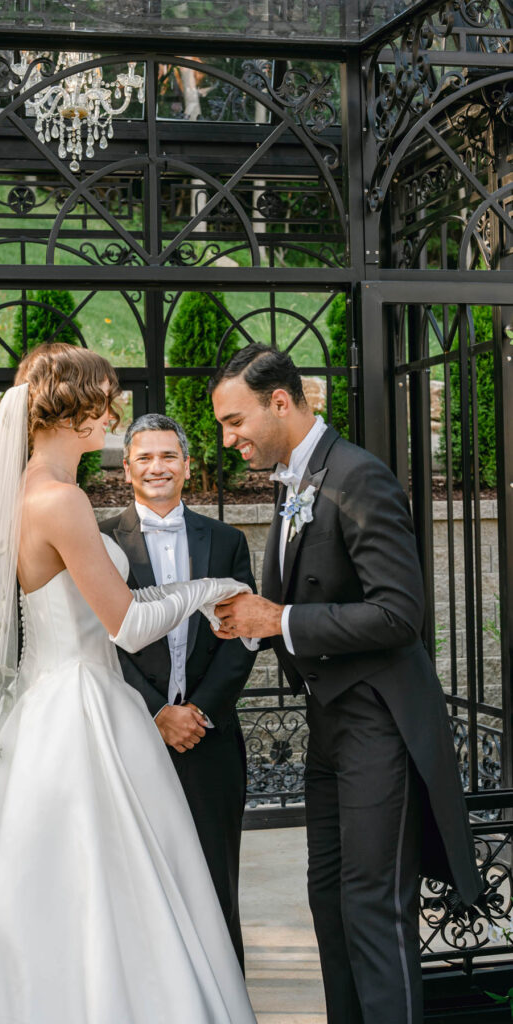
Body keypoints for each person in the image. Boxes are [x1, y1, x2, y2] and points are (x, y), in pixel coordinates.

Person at [0, 343, 256, 1024]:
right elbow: (128, 624)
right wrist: (212, 588)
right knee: (99, 885)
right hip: (81, 710)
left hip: (53, 702)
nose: (113, 415)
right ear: (75, 412)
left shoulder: (34, 490)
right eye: (106, 402)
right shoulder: (59, 499)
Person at [209, 343, 483, 1024]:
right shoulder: (296, 480)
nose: (229, 438)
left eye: (235, 421)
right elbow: (308, 596)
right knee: (329, 899)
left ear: (280, 401)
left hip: (379, 723)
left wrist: (279, 619)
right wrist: (253, 622)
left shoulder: (357, 477)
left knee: (371, 904)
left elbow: (399, 613)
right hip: (329, 725)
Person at [101, 413, 257, 969]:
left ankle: (224, 990)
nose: (157, 467)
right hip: (131, 736)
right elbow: (98, 642)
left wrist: (199, 711)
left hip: (209, 737)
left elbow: (244, 635)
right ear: (126, 469)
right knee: (136, 875)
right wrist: (156, 713)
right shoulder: (99, 542)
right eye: (144, 457)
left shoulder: (228, 541)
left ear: (188, 467)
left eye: (169, 456)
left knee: (215, 876)